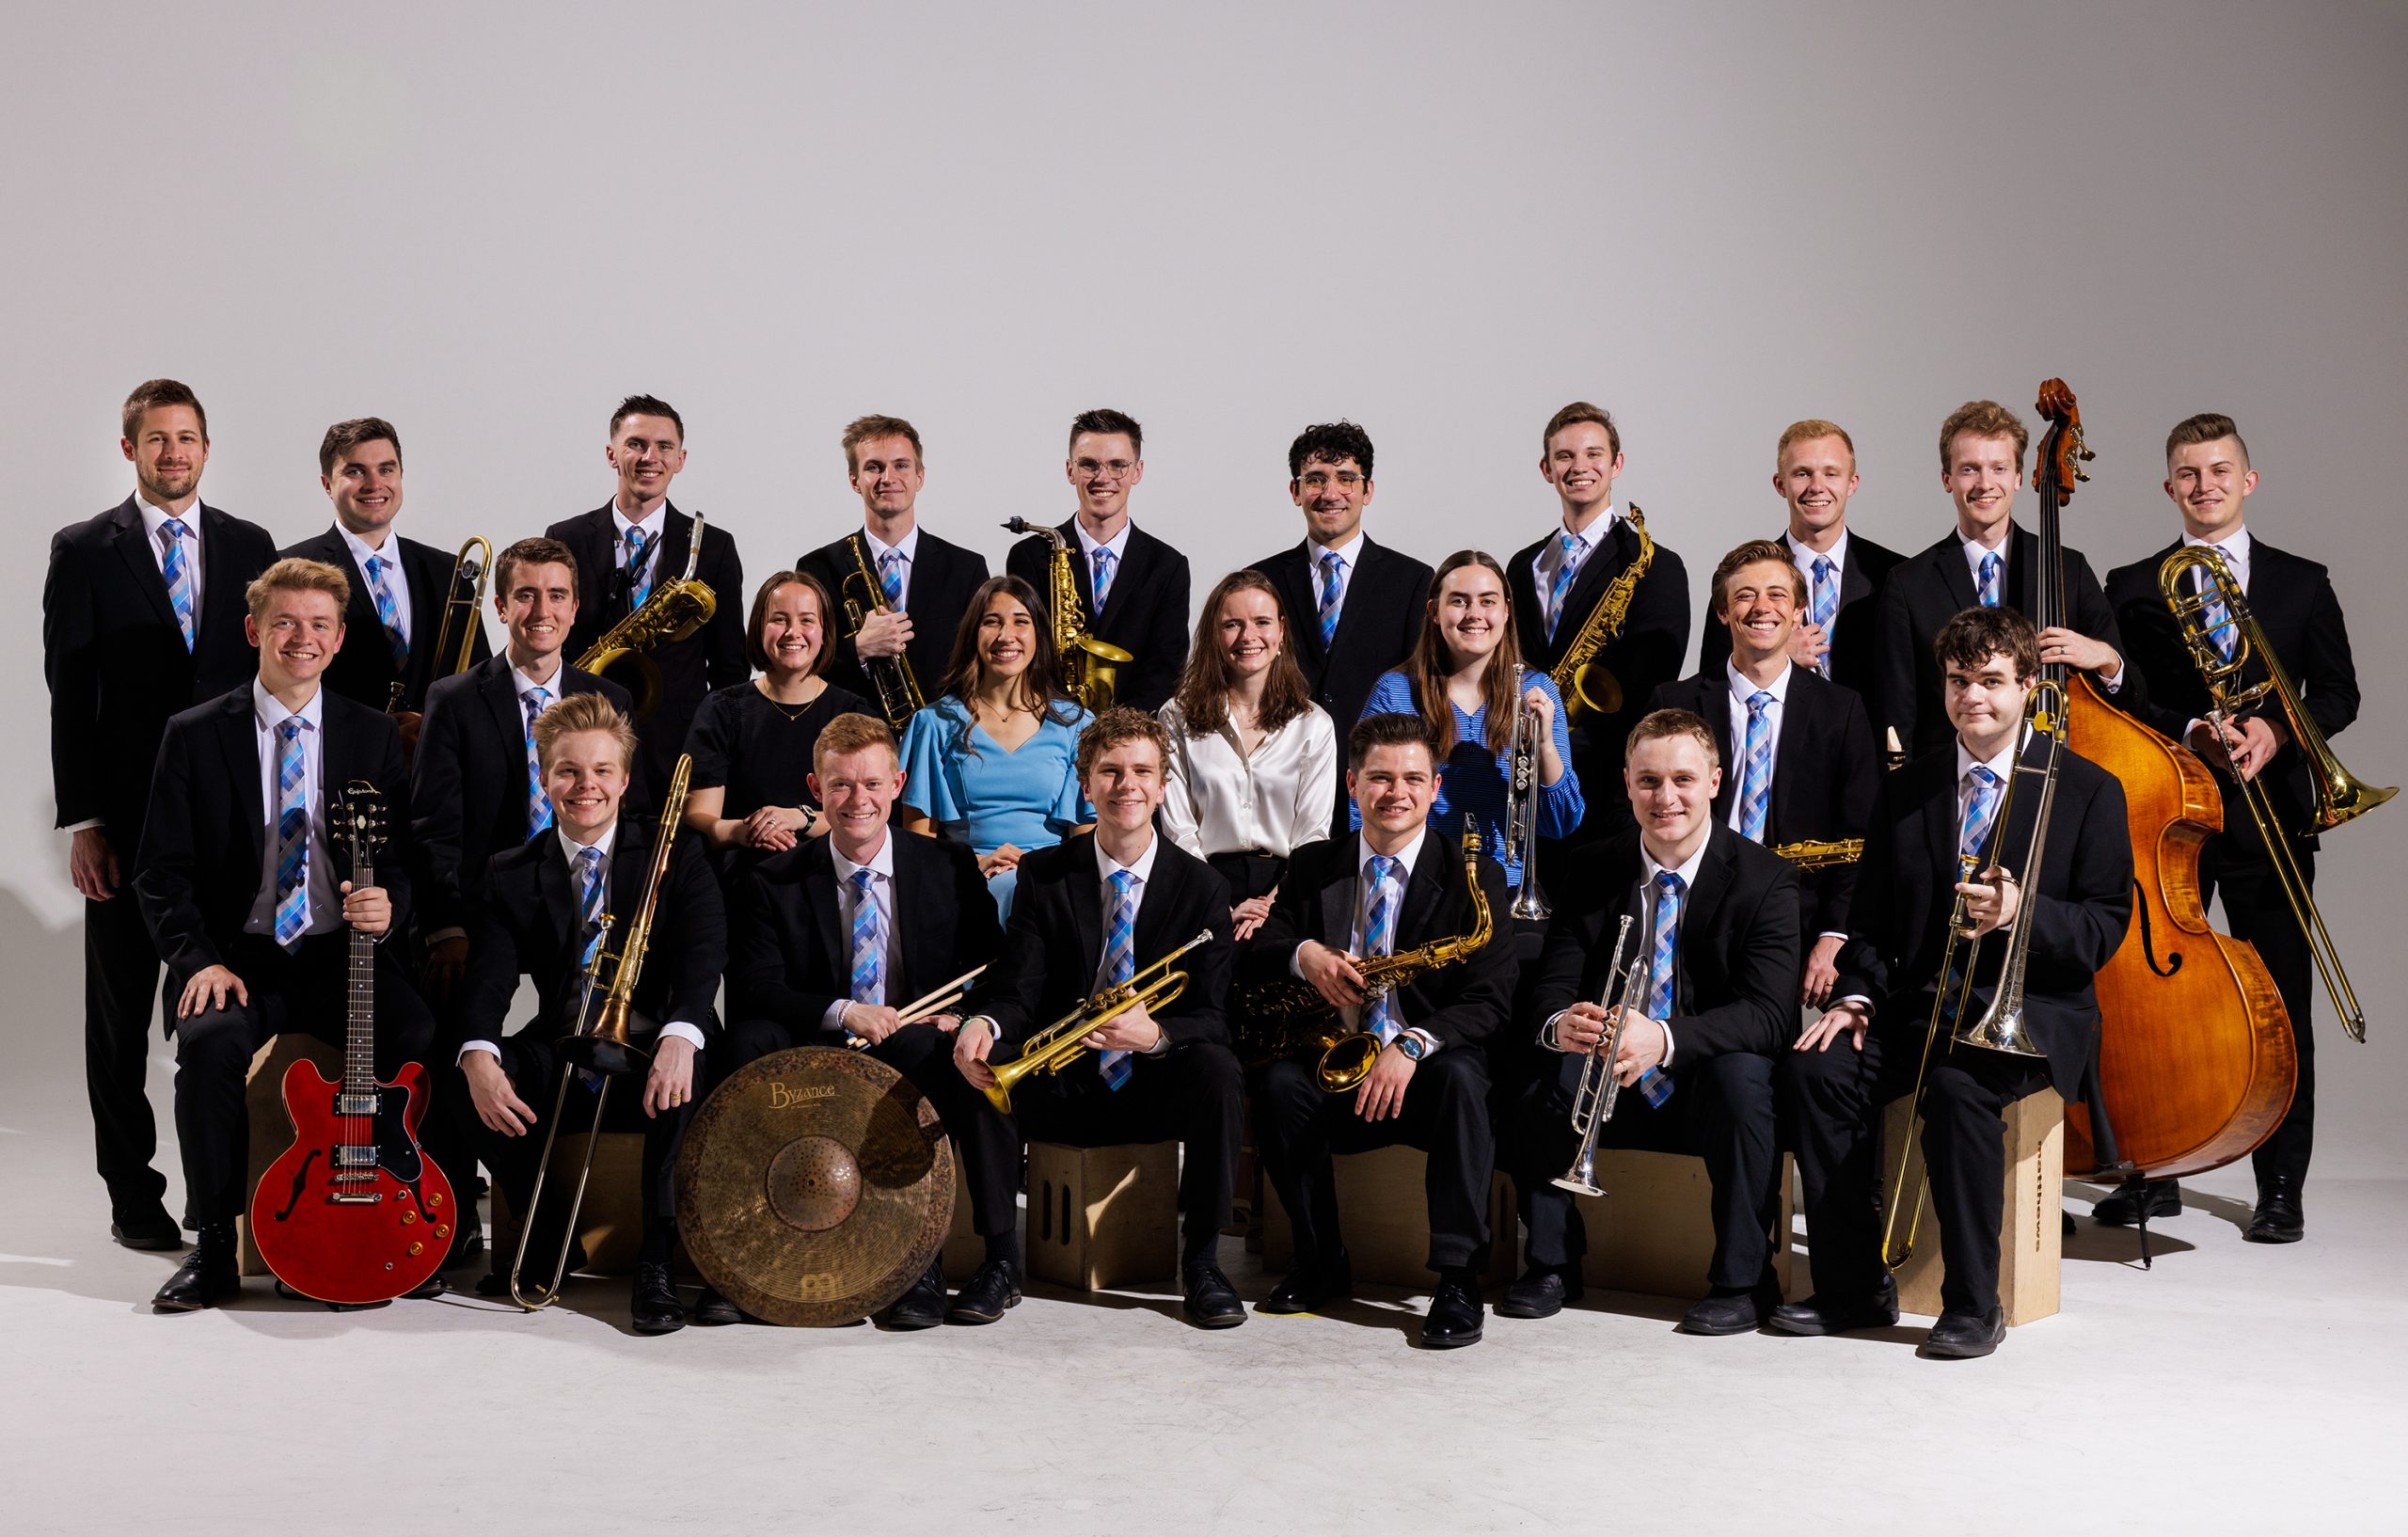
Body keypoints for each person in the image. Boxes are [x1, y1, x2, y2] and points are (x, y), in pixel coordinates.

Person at [1779, 608, 2131, 1358]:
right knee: (1817, 1069)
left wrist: (2017, 911)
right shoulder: (1911, 787)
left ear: (2029, 686)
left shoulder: (2089, 790)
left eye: (1993, 681)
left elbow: (2105, 929)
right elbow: (1872, 920)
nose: (1974, 697)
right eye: (1960, 680)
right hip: (1917, 1004)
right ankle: (1851, 1288)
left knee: (1961, 1093)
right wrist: (1855, 996)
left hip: (2028, 1013)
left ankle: (1974, 1305)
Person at [132, 559, 437, 1309]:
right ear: (253, 631)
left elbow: (402, 860)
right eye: (286, 623)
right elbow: (159, 873)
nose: (302, 638)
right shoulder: (195, 735)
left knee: (423, 1031)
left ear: (337, 641)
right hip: (241, 960)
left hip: (344, 959)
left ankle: (414, 1223)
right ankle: (212, 1247)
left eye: (319, 625)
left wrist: (387, 904)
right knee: (206, 1050)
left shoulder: (371, 734)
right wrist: (197, 960)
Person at [2093, 413, 2363, 1243]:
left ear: (2248, 480)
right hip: (2168, 809)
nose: (2203, 484)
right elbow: (2120, 695)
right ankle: (2155, 1169)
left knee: (2279, 1002)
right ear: (2168, 486)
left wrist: (2276, 732)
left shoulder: (2301, 582)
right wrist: (2191, 727)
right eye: (2186, 472)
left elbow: (2341, 694)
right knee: (2150, 999)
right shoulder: (2132, 583)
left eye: (2219, 470)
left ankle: (2280, 1187)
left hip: (2269, 814)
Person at [44, 378, 277, 1251]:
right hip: (130, 827)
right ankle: (132, 1195)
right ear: (129, 449)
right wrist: (87, 822)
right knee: (118, 1023)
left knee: (220, 1010)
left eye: (187, 439)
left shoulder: (250, 543)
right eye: (156, 439)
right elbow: (70, 696)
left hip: (228, 830)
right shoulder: (83, 550)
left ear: (206, 450)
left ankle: (222, 1192)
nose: (172, 453)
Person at [1503, 709, 1801, 1332]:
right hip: (1609, 1071)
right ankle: (1553, 1263)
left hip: (1699, 1076)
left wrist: (1661, 1038)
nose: (1666, 798)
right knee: (1539, 1070)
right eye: (1648, 782)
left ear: (1716, 781)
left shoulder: (1764, 877)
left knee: (1744, 1080)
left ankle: (1744, 1282)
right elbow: (1552, 986)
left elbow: (1770, 1016)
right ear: (1627, 783)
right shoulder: (1591, 867)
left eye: (1683, 780)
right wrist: (1563, 1022)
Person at [951, 709, 1245, 1328]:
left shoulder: (1204, 889)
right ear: (1085, 785)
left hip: (1152, 1084)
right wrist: (986, 1023)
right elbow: (1020, 984)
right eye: (1109, 772)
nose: (1126, 785)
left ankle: (1203, 1263)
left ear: (1164, 786)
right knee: (985, 1072)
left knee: (1218, 1071)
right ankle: (1000, 1261)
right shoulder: (1045, 874)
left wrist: (1157, 1035)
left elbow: (1215, 1018)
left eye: (1142, 771)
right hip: (1066, 1082)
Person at [449, 693, 723, 1335]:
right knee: (466, 1068)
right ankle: (548, 1236)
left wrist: (684, 1032)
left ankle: (657, 1259)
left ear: (624, 779)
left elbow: (704, 955)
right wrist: (480, 1056)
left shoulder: (673, 853)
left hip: (655, 1044)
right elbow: (488, 983)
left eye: (601, 771)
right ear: (544, 779)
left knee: (686, 1077)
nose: (585, 786)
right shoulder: (510, 872)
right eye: (568, 771)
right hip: (567, 1048)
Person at [722, 711, 1006, 1328]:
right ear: (815, 788)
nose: (858, 800)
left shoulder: (949, 867)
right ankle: (740, 1255)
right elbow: (754, 986)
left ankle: (937, 1264)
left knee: (956, 1057)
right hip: (819, 1045)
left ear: (898, 783)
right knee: (745, 1040)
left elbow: (992, 966)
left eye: (872, 784)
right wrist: (845, 1011)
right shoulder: (772, 879)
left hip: (915, 1045)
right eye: (842, 785)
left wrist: (959, 1016)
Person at [1244, 712, 1518, 1349]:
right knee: (1281, 1084)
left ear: (1436, 787)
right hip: (1333, 1062)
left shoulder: (1475, 877)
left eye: (1412, 778)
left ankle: (1457, 1278)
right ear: (1351, 784)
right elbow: (1264, 949)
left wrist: (1414, 1043)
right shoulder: (1314, 865)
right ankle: (1319, 1261)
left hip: (1420, 1073)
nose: (1396, 792)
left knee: (1461, 1077)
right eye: (1380, 777)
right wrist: (1304, 953)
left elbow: (1491, 999)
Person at [1650, 541, 1878, 1009]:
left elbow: (1862, 837)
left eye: (1777, 595)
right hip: (1687, 910)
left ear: (1798, 613)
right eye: (1744, 596)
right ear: (1722, 613)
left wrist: (1833, 935)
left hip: (1797, 921)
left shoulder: (1843, 709)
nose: (1761, 608)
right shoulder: (1672, 701)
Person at [413, 538, 631, 999]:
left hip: (587, 905)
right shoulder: (452, 700)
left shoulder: (610, 699)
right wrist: (448, 927)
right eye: (525, 595)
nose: (541, 611)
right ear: (500, 606)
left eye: (556, 596)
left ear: (575, 608)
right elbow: (434, 827)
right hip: (483, 909)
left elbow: (632, 815)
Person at [1876, 399, 2133, 758]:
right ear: (1946, 479)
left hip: (2055, 773)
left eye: (1998, 468)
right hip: (1950, 785)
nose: (1985, 484)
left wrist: (2106, 657)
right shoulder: (1907, 584)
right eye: (1969, 469)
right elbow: (1897, 715)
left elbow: (2134, 695)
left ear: (2018, 478)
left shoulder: (2068, 569)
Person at [547, 393, 747, 804]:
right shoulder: (564, 538)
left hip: (676, 743)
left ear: (681, 459)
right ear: (611, 453)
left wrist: (717, 749)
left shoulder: (714, 547)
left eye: (663, 447)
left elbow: (730, 667)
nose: (649, 457)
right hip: (586, 735)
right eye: (636, 444)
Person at [1507, 402, 1690, 842]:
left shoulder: (1654, 565)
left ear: (1616, 464)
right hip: (1528, 775)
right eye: (1565, 456)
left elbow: (1654, 680)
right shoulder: (1522, 565)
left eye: (1594, 454)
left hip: (1609, 782)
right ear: (1546, 468)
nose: (1580, 467)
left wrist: (1568, 747)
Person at [1357, 549, 1579, 894]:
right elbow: (1362, 807)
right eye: (1459, 601)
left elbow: (1560, 823)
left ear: (1506, 611)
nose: (1474, 614)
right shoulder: (1395, 690)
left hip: (1507, 888)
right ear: (1433, 611)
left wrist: (1546, 744)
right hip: (1415, 885)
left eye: (1487, 602)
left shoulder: (1538, 689)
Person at [1247, 421, 1434, 832]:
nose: (1330, 494)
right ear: (1295, 492)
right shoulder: (1261, 582)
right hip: (1278, 784)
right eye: (1315, 480)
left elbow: (1419, 691)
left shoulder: (1413, 581)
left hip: (1373, 786)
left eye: (1346, 479)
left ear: (1367, 491)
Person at [279, 416, 490, 737]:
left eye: (386, 469)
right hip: (335, 758)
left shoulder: (448, 571)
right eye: (355, 471)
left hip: (432, 767)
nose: (374, 484)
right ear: (327, 484)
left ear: (401, 476)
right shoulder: (289, 570)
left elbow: (478, 680)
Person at [1158, 569, 1340, 940]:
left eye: (1261, 622)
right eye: (1232, 625)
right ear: (1214, 633)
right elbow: (1179, 832)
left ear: (1281, 631)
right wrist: (1217, 905)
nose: (1248, 637)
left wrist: (1272, 903)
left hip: (1288, 886)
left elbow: (1313, 835)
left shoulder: (1314, 724)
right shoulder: (1175, 716)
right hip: (1202, 883)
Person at [895, 575, 1093, 915]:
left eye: (1021, 622)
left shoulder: (1077, 724)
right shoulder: (934, 723)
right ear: (974, 633)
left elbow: (1085, 841)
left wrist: (1035, 869)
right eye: (992, 622)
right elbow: (918, 844)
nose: (1006, 636)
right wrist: (978, 862)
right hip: (964, 879)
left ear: (1038, 635)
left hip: (1052, 883)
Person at [1695, 419, 1903, 710]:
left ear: (1852, 483)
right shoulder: (1740, 576)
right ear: (1780, 484)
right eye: (1802, 474)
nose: (1817, 487)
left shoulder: (1895, 575)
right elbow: (1710, 678)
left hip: (1867, 746)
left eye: (1831, 473)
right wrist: (1773, 653)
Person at [799, 414, 990, 721]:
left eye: (901, 465)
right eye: (874, 467)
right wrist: (858, 648)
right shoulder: (817, 567)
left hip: (943, 741)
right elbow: (800, 663)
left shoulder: (967, 569)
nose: (888, 477)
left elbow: (981, 667)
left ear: (920, 477)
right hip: (848, 737)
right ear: (854, 481)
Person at [680, 570, 871, 873]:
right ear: (759, 628)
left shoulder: (854, 713)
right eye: (779, 619)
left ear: (825, 632)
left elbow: (866, 814)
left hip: (830, 874)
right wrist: (743, 831)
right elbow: (700, 816)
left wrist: (801, 817)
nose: (792, 632)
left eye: (807, 620)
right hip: (743, 873)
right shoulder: (722, 709)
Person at [1005, 407, 1193, 713]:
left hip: (1131, 739)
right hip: (1048, 731)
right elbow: (1024, 658)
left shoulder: (1168, 566)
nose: (1102, 478)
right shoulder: (1030, 557)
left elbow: (1165, 670)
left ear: (1137, 471)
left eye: (1118, 465)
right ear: (1070, 470)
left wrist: (1115, 735)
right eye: (1089, 465)